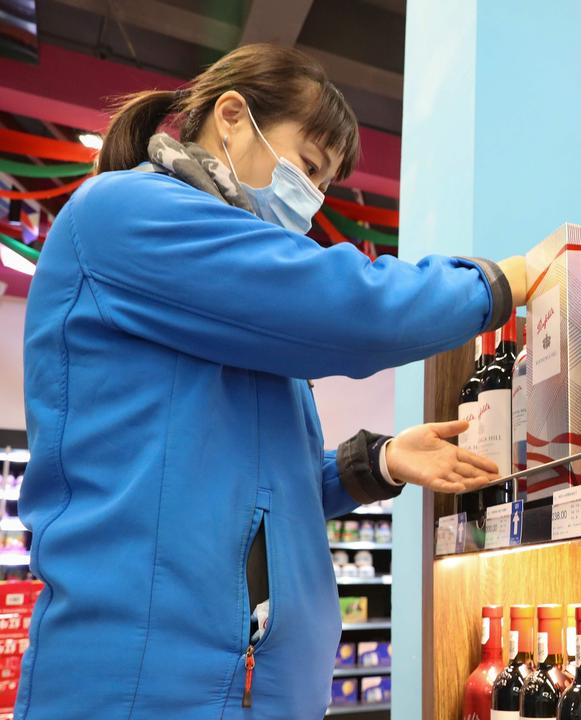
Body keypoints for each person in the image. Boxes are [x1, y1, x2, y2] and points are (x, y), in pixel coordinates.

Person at [17, 44, 524, 719]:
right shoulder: (126, 212)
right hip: (148, 688)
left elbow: (255, 489)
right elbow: (353, 311)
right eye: (308, 166)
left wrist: (378, 462)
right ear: (232, 116)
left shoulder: (228, 301)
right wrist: (498, 283)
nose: (313, 198)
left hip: (245, 690)